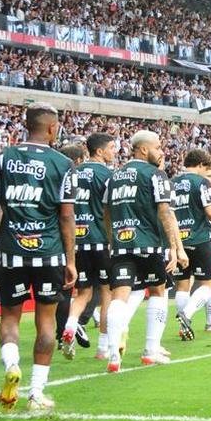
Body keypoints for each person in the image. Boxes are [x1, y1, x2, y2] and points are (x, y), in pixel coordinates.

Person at [0, 103, 77, 411]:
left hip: (11, 251)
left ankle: (11, 365)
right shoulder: (62, 163)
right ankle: (36, 393)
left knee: (9, 317)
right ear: (51, 128)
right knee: (46, 324)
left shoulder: (3, 158)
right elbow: (66, 217)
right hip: (48, 253)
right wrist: (70, 260)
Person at [103, 130, 187, 373]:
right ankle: (151, 350)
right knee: (158, 292)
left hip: (121, 245)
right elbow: (165, 211)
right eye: (158, 147)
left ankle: (113, 355)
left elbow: (106, 212)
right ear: (143, 149)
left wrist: (112, 239)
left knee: (119, 297)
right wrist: (174, 247)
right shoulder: (155, 174)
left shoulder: (114, 176)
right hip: (149, 244)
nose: (161, 152)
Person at [172, 148, 211, 339]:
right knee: (208, 284)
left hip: (178, 242)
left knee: (182, 287)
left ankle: (184, 327)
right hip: (199, 239)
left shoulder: (171, 183)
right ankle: (187, 315)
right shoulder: (201, 182)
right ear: (200, 165)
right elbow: (210, 211)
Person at [70, 133, 117, 361]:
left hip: (77, 240)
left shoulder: (73, 172)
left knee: (83, 292)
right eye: (111, 147)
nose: (114, 151)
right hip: (100, 238)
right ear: (99, 151)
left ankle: (70, 327)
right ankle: (103, 347)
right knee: (108, 291)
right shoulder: (108, 175)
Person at [54, 143, 86, 355]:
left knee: (62, 293)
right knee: (88, 289)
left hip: (54, 241)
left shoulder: (52, 176)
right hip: (81, 240)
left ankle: (60, 334)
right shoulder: (78, 178)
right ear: (77, 161)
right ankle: (76, 325)